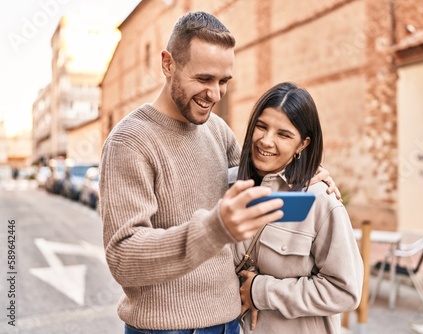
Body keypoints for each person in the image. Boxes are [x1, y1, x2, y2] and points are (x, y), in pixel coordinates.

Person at [99, 12, 339, 334]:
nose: (215, 94)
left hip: (229, 323)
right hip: (166, 329)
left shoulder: (216, 129)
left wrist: (307, 172)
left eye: (223, 81)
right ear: (168, 64)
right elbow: (124, 258)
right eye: (203, 79)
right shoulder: (129, 142)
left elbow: (259, 177)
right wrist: (215, 229)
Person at [232, 82, 363, 334]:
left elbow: (345, 291)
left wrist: (261, 291)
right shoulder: (232, 188)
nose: (266, 141)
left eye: (283, 134)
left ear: (302, 144)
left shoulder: (320, 200)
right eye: (261, 126)